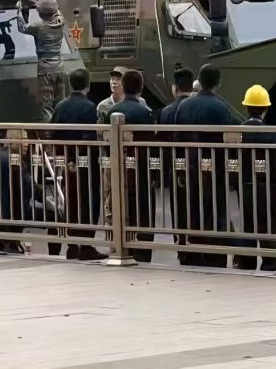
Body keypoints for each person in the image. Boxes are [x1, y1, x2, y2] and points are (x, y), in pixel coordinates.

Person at [174, 63, 243, 267]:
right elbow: (227, 139)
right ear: (218, 83)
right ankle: (216, 255)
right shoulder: (220, 107)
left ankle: (194, 252)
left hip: (189, 165)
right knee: (215, 210)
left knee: (193, 209)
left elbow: (177, 138)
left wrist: (179, 168)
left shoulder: (184, 105)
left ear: (200, 80)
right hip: (215, 168)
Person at [50, 69, 108, 261]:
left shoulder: (60, 106)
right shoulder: (89, 107)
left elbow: (53, 135)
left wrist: (66, 159)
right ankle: (86, 245)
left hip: (66, 163)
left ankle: (72, 245)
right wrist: (78, 159)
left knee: (71, 202)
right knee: (89, 202)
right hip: (86, 164)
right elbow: (89, 137)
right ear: (87, 85)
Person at [106, 70, 156, 262]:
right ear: (141, 88)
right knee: (143, 210)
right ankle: (143, 251)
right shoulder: (146, 113)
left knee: (118, 207)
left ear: (124, 87)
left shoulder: (111, 111)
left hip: (117, 168)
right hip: (141, 170)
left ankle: (120, 246)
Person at [232, 85, 276, 271]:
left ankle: (246, 262)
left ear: (246, 107)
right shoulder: (272, 133)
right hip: (268, 187)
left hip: (245, 185)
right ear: (266, 108)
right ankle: (270, 264)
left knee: (248, 224)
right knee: (269, 226)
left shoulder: (239, 131)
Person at [156, 67, 194, 264]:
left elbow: (162, 144)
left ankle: (181, 247)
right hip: (198, 165)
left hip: (175, 167)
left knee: (178, 208)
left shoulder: (167, 111)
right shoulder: (195, 107)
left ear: (174, 88)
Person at [16, 0, 69, 122]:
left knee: (46, 103)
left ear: (40, 13)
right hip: (59, 66)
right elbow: (56, 11)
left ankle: (49, 130)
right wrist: (39, 1)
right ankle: (61, 127)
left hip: (45, 68)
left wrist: (19, 12)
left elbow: (22, 28)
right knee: (60, 102)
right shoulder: (61, 22)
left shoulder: (38, 26)